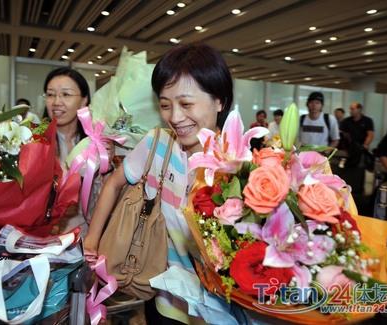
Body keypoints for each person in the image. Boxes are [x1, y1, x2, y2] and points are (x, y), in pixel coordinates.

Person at [84, 44, 243, 324]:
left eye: (186, 104)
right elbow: (114, 183)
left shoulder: (239, 162)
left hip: (223, 307)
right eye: (166, 105)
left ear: (219, 100)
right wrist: (93, 240)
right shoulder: (158, 144)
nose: (175, 117)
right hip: (166, 300)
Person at [42, 67, 112, 235]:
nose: (56, 101)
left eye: (66, 94)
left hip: (86, 235)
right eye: (50, 94)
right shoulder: (35, 142)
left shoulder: (97, 143)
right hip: (45, 236)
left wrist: (108, 166)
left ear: (83, 101)